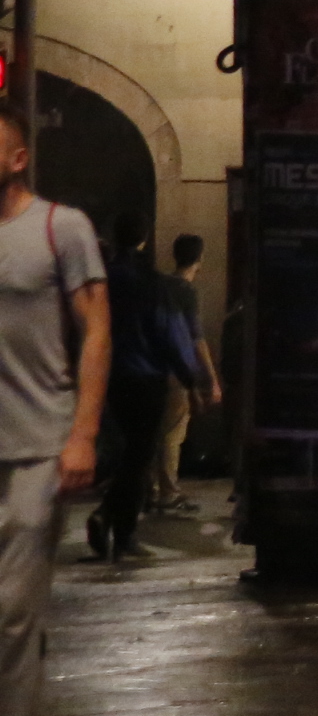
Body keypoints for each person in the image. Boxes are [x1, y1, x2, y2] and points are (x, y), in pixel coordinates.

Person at [0, 98, 107, 716]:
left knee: (11, 609)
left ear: (17, 156)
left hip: (37, 444)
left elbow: (97, 330)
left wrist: (83, 434)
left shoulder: (59, 227)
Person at [89, 226, 200, 564]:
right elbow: (170, 331)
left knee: (118, 453)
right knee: (139, 457)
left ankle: (108, 514)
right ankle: (122, 532)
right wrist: (189, 379)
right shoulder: (151, 283)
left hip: (103, 377)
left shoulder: (100, 280)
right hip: (144, 379)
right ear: (143, 241)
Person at [147, 233, 216, 518]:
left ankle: (151, 490)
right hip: (177, 372)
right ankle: (169, 493)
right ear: (199, 259)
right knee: (173, 434)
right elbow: (196, 338)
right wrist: (211, 378)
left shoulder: (159, 285)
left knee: (155, 432)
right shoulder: (187, 292)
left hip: (153, 367)